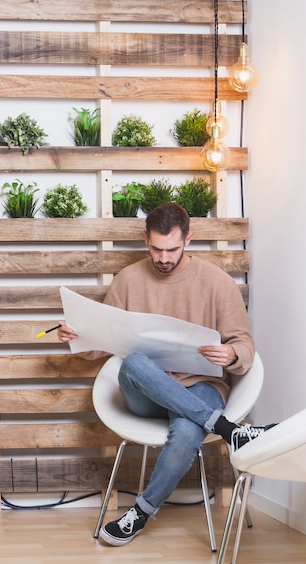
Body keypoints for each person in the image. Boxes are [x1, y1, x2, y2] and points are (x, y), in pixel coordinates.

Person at [58, 203, 275, 547]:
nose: (163, 257)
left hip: (200, 387)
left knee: (189, 428)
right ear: (146, 239)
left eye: (172, 249)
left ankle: (140, 513)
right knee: (134, 362)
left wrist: (231, 353)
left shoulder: (217, 282)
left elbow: (244, 344)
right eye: (156, 248)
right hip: (145, 393)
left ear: (189, 238)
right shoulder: (128, 280)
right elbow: (102, 346)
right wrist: (79, 336)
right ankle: (226, 429)